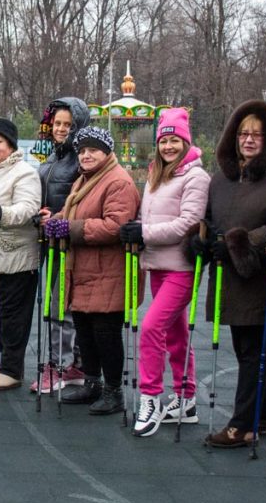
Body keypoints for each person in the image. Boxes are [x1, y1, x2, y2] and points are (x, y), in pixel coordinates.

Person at [198, 100, 266, 448]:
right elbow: (210, 219)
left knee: (254, 351)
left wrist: (238, 242)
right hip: (229, 278)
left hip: (262, 278)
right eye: (243, 133)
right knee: (246, 349)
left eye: (257, 134)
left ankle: (244, 424)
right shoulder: (222, 178)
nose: (249, 140)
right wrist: (202, 240)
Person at [120, 107, 210, 437]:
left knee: (151, 328)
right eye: (164, 141)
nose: (168, 146)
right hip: (157, 264)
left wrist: (142, 233)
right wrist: (137, 228)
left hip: (181, 268)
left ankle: (151, 396)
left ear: (185, 142)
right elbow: (151, 216)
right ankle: (186, 399)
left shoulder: (196, 177)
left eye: (174, 140)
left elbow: (188, 223)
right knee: (175, 334)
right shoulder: (158, 173)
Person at [45, 127, 139, 412]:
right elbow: (74, 213)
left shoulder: (118, 182)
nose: (85, 155)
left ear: (106, 152)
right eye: (82, 150)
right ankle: (92, 383)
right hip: (84, 269)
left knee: (106, 333)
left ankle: (113, 392)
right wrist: (55, 220)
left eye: (92, 150)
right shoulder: (85, 180)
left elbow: (116, 225)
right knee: (85, 330)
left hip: (107, 270)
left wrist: (70, 228)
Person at [0, 118, 41, 391]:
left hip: (17, 257)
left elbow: (28, 207)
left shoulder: (24, 172)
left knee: (14, 316)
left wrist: (3, 213)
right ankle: (6, 362)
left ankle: (13, 370)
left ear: (11, 145)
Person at [36, 97, 91, 393]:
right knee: (59, 302)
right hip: (50, 241)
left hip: (69, 241)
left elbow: (83, 201)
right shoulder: (54, 159)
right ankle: (71, 363)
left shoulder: (81, 161)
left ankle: (62, 364)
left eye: (68, 125)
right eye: (57, 123)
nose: (60, 129)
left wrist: (57, 218)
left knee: (62, 305)